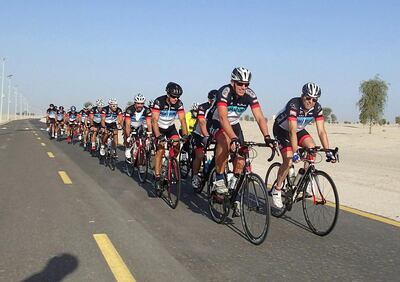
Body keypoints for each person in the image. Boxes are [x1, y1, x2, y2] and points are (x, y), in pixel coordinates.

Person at [271, 82, 336, 208]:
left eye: (314, 99)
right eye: (308, 98)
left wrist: (328, 151)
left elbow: (321, 131)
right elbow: (291, 131)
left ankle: (306, 179)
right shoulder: (294, 105)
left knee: (312, 149)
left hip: (298, 130)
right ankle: (277, 189)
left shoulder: (317, 108)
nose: (310, 101)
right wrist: (295, 152)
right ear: (302, 96)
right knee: (289, 160)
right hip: (282, 130)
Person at [210, 67, 274, 194]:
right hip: (216, 122)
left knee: (241, 158)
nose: (243, 87)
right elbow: (223, 118)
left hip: (234, 124)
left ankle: (234, 189)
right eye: (240, 84)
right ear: (233, 82)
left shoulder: (250, 95)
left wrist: (267, 136)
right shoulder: (224, 92)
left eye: (246, 84)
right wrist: (233, 138)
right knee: (226, 141)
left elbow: (260, 117)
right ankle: (218, 178)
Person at [151, 82, 188, 191]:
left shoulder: (179, 104)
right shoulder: (159, 102)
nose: (175, 99)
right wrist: (158, 135)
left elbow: (183, 120)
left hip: (170, 127)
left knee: (177, 144)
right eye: (173, 96)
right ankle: (157, 176)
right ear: (167, 94)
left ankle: (169, 161)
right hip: (159, 127)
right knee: (160, 150)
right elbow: (154, 120)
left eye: (178, 97)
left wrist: (185, 134)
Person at [191, 89, 217, 189]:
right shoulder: (203, 107)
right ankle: (195, 176)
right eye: (211, 100)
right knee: (200, 155)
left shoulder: (219, 108)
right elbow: (202, 123)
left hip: (211, 134)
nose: (213, 103)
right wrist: (206, 136)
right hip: (199, 134)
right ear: (209, 100)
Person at [124, 94, 152, 163]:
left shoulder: (147, 110)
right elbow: (127, 124)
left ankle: (142, 153)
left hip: (139, 125)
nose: (140, 105)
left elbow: (148, 123)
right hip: (130, 125)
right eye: (138, 103)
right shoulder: (129, 110)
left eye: (142, 103)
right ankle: (128, 149)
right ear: (135, 103)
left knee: (142, 139)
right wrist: (128, 136)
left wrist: (150, 133)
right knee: (128, 137)